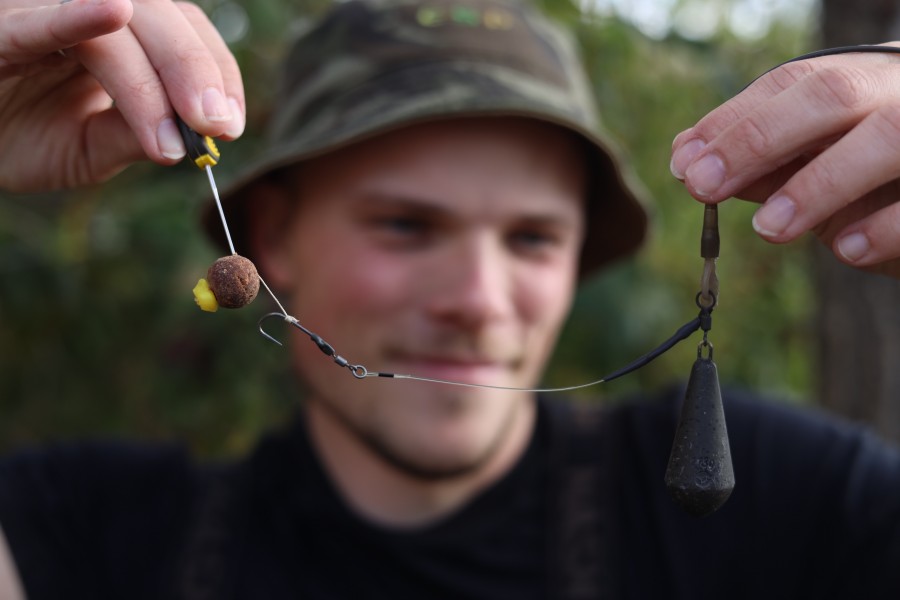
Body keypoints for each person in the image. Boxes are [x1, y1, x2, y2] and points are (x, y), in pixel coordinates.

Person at [1, 0, 899, 599]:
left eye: (531, 237)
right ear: (270, 243)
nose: (477, 300)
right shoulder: (78, 538)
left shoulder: (801, 508)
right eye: (405, 225)